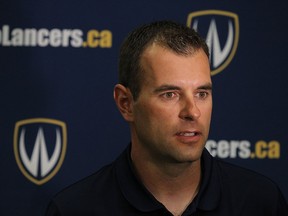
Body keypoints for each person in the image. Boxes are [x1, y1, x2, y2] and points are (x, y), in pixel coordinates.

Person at [45, 20, 288, 216]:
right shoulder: (74, 209)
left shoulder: (261, 201)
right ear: (126, 103)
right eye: (170, 94)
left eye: (202, 93)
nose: (192, 112)